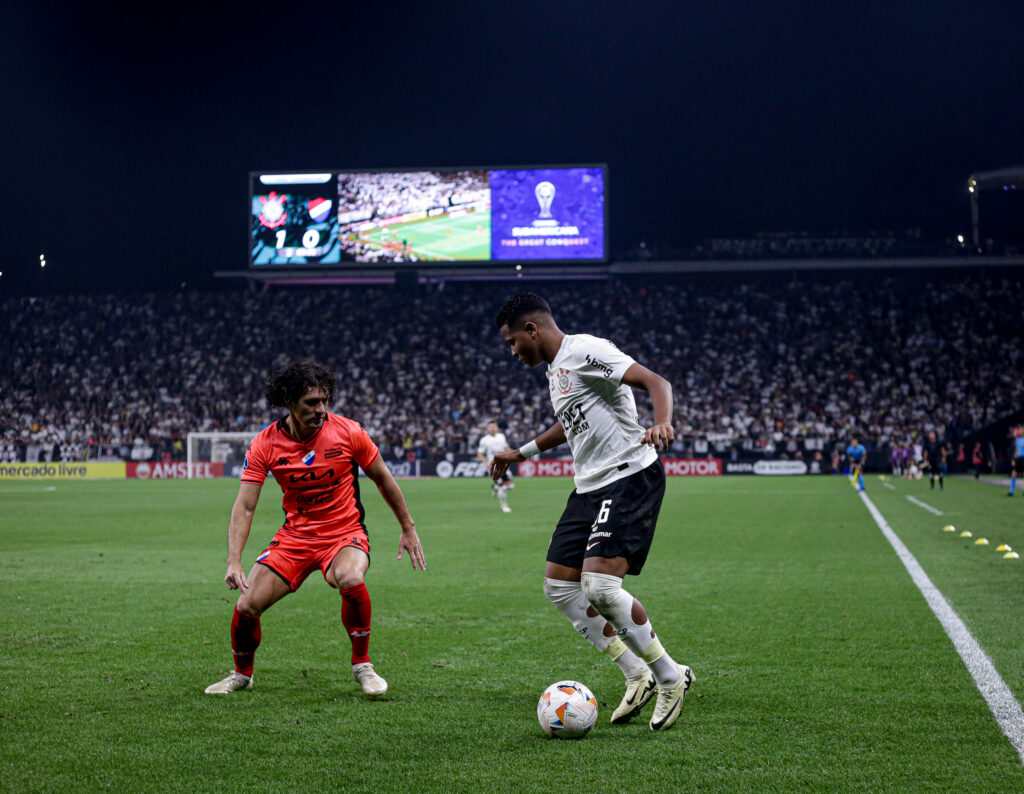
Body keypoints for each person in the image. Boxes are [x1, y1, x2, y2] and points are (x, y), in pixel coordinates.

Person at [488, 293, 694, 733]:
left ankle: (669, 677)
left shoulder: (585, 349)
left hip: (627, 475)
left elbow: (657, 381)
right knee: (560, 587)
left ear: (532, 330)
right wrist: (519, 452)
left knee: (599, 585)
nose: (512, 352)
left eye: (512, 342)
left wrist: (661, 422)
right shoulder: (555, 370)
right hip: (589, 486)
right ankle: (635, 672)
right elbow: (570, 421)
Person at [205, 360, 426, 696]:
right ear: (289, 402)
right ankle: (242, 674)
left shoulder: (349, 432)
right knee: (247, 605)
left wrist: (407, 527)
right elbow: (245, 506)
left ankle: (362, 666)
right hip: (295, 537)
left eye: (324, 400)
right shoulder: (264, 444)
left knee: (351, 578)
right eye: (311, 402)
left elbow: (383, 479)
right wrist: (233, 560)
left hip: (344, 532)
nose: (321, 409)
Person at [476, 421, 514, 512]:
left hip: (504, 464)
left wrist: (516, 453)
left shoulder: (501, 437)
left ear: (497, 428)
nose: (492, 428)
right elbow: (479, 453)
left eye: (494, 426)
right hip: (494, 467)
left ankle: (495, 487)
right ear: (488, 428)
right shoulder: (484, 440)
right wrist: (486, 463)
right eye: (490, 427)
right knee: (502, 486)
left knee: (511, 486)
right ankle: (504, 505)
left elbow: (506, 448)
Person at [1009, 426, 1024, 497]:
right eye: (1020, 430)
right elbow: (1016, 450)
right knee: (1013, 473)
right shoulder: (1018, 440)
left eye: (1021, 430)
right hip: (1018, 459)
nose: (1020, 431)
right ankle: (1011, 491)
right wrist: (1013, 459)